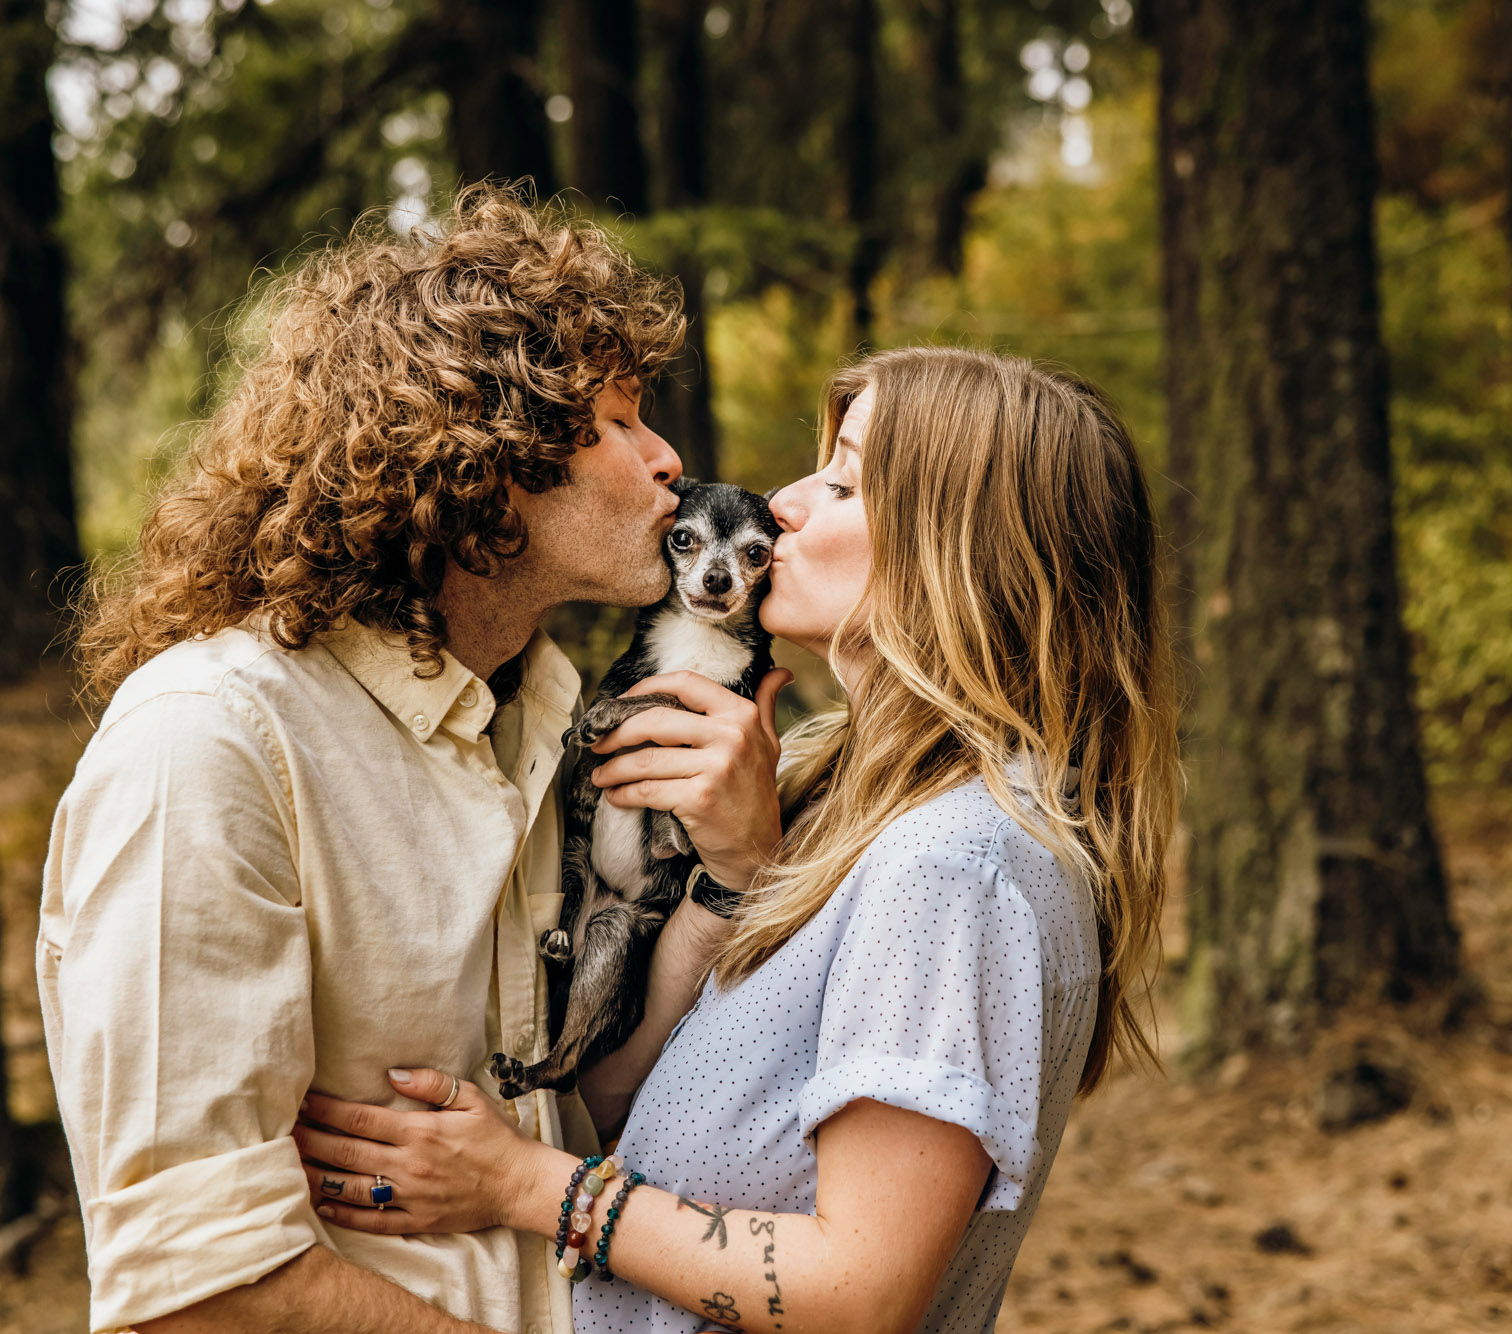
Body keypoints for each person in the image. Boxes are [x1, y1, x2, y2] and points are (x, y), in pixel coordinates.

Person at [294, 346, 1183, 1333]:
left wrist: (524, 1184)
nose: (786, 505)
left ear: (960, 552)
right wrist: (736, 875)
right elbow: (684, 1105)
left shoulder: (951, 868)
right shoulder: (842, 803)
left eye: (842, 479)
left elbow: (860, 1290)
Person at [35, 187, 786, 1334]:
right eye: (620, 421)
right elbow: (196, 1283)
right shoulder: (210, 741)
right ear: (486, 455)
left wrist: (733, 872)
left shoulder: (541, 711)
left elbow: (591, 1107)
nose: (668, 458)